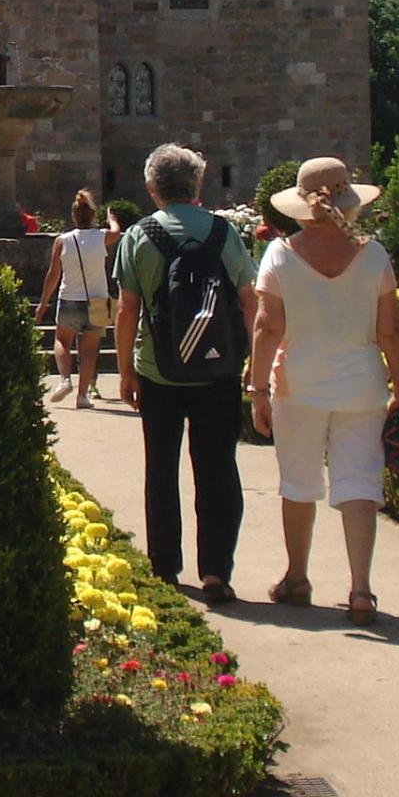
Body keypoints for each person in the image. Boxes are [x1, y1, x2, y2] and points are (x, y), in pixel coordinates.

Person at [249, 159, 399, 626]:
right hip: (361, 382)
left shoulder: (280, 254)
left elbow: (267, 327)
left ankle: (297, 578)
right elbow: (391, 332)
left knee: (298, 482)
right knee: (359, 482)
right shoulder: (373, 255)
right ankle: (361, 588)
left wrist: (257, 388)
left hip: (298, 382)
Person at [115, 144, 259, 603]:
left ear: (152, 187)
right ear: (197, 185)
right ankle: (216, 570)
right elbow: (248, 297)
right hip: (217, 369)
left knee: (162, 467)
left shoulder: (140, 235)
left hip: (158, 369)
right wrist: (252, 357)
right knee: (218, 467)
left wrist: (125, 372)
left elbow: (127, 308)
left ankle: (165, 567)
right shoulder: (222, 232)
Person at [36, 190, 113, 408]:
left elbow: (53, 275)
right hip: (99, 299)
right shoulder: (103, 236)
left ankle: (64, 379)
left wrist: (43, 303)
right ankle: (82, 395)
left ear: (74, 216)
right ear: (92, 215)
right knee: (89, 350)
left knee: (61, 341)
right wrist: (112, 220)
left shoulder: (62, 241)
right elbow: (118, 231)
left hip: (69, 296)